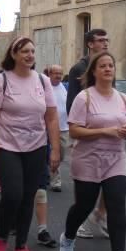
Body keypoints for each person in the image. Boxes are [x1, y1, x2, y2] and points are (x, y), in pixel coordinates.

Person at [0, 37, 60, 251]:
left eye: (32, 51)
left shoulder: (43, 81)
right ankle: (2, 240)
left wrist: (55, 150)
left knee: (28, 197)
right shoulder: (0, 80)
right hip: (6, 146)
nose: (30, 55)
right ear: (14, 54)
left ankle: (21, 247)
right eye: (24, 51)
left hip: (35, 146)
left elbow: (52, 117)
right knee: (13, 194)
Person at [58, 52, 126, 251]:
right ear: (94, 71)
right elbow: (74, 130)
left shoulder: (123, 99)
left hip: (115, 159)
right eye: (103, 66)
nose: (108, 69)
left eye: (111, 65)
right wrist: (105, 131)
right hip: (88, 159)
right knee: (84, 205)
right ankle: (69, 236)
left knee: (117, 204)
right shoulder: (85, 97)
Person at [66, 28, 110, 239]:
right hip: (84, 131)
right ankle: (81, 220)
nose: (105, 43)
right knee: (84, 180)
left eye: (106, 40)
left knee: (110, 179)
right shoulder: (78, 69)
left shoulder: (108, 66)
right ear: (90, 44)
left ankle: (99, 214)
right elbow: (72, 103)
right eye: (101, 40)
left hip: (107, 131)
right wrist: (79, 131)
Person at [47, 64, 69, 192]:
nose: (58, 76)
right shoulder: (45, 88)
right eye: (56, 73)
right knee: (48, 153)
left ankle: (50, 170)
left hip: (63, 127)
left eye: (60, 73)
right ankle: (56, 182)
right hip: (47, 128)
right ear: (50, 74)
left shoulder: (66, 87)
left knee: (60, 155)